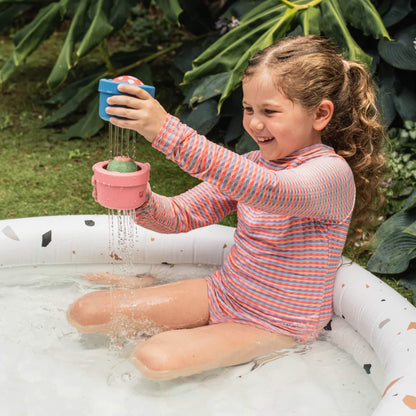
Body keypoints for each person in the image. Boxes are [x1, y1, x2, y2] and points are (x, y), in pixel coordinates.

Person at [67, 35, 386, 380]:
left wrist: (164, 130)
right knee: (86, 312)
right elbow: (180, 216)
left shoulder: (329, 175)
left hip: (276, 322)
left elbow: (269, 190)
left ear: (321, 114)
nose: (255, 123)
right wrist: (138, 198)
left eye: (270, 111)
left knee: (154, 358)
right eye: (249, 109)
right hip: (223, 292)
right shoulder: (253, 165)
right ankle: (177, 314)